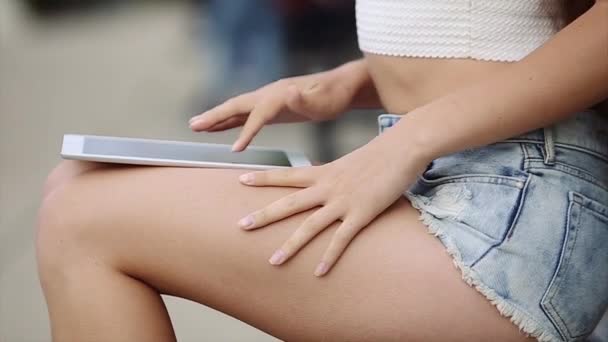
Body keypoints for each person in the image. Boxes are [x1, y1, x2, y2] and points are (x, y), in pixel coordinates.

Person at [37, 0, 607, 341]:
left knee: (80, 222)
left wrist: (407, 140)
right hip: (463, 168)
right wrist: (346, 84)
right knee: (77, 184)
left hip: (516, 208)